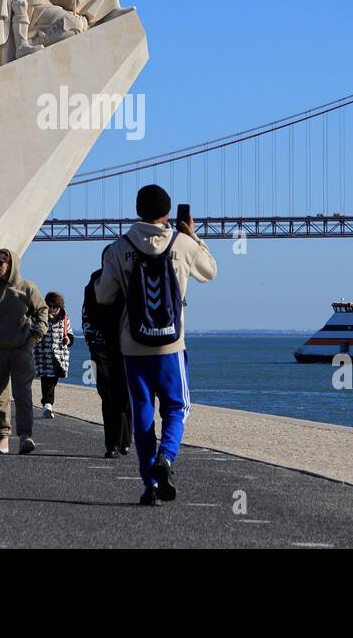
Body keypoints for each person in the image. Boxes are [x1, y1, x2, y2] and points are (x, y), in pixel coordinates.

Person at [96, 185, 217, 505]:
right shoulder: (182, 244)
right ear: (168, 212)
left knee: (143, 412)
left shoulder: (118, 248)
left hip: (133, 344)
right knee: (177, 407)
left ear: (137, 209)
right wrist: (193, 236)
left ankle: (150, 484)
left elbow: (103, 295)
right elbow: (210, 272)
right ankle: (166, 458)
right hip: (170, 345)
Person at [0, 248, 48, 455]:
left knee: (23, 395)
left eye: (1, 263)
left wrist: (35, 337)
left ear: (12, 265)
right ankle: (3, 437)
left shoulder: (27, 288)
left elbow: (42, 311)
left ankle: (26, 435)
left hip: (20, 350)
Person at [83, 267, 131, 459]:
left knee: (125, 396)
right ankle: (112, 443)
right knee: (108, 395)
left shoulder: (128, 279)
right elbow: (86, 314)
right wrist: (93, 342)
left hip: (126, 347)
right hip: (103, 348)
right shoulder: (94, 282)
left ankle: (124, 440)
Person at [33, 291, 73, 418]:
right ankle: (47, 405)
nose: (52, 309)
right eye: (49, 306)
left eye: (55, 307)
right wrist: (36, 337)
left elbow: (70, 334)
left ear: (60, 307)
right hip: (44, 354)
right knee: (47, 379)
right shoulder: (40, 316)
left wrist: (69, 340)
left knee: (53, 380)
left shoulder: (65, 318)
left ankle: (47, 404)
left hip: (60, 356)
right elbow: (33, 330)